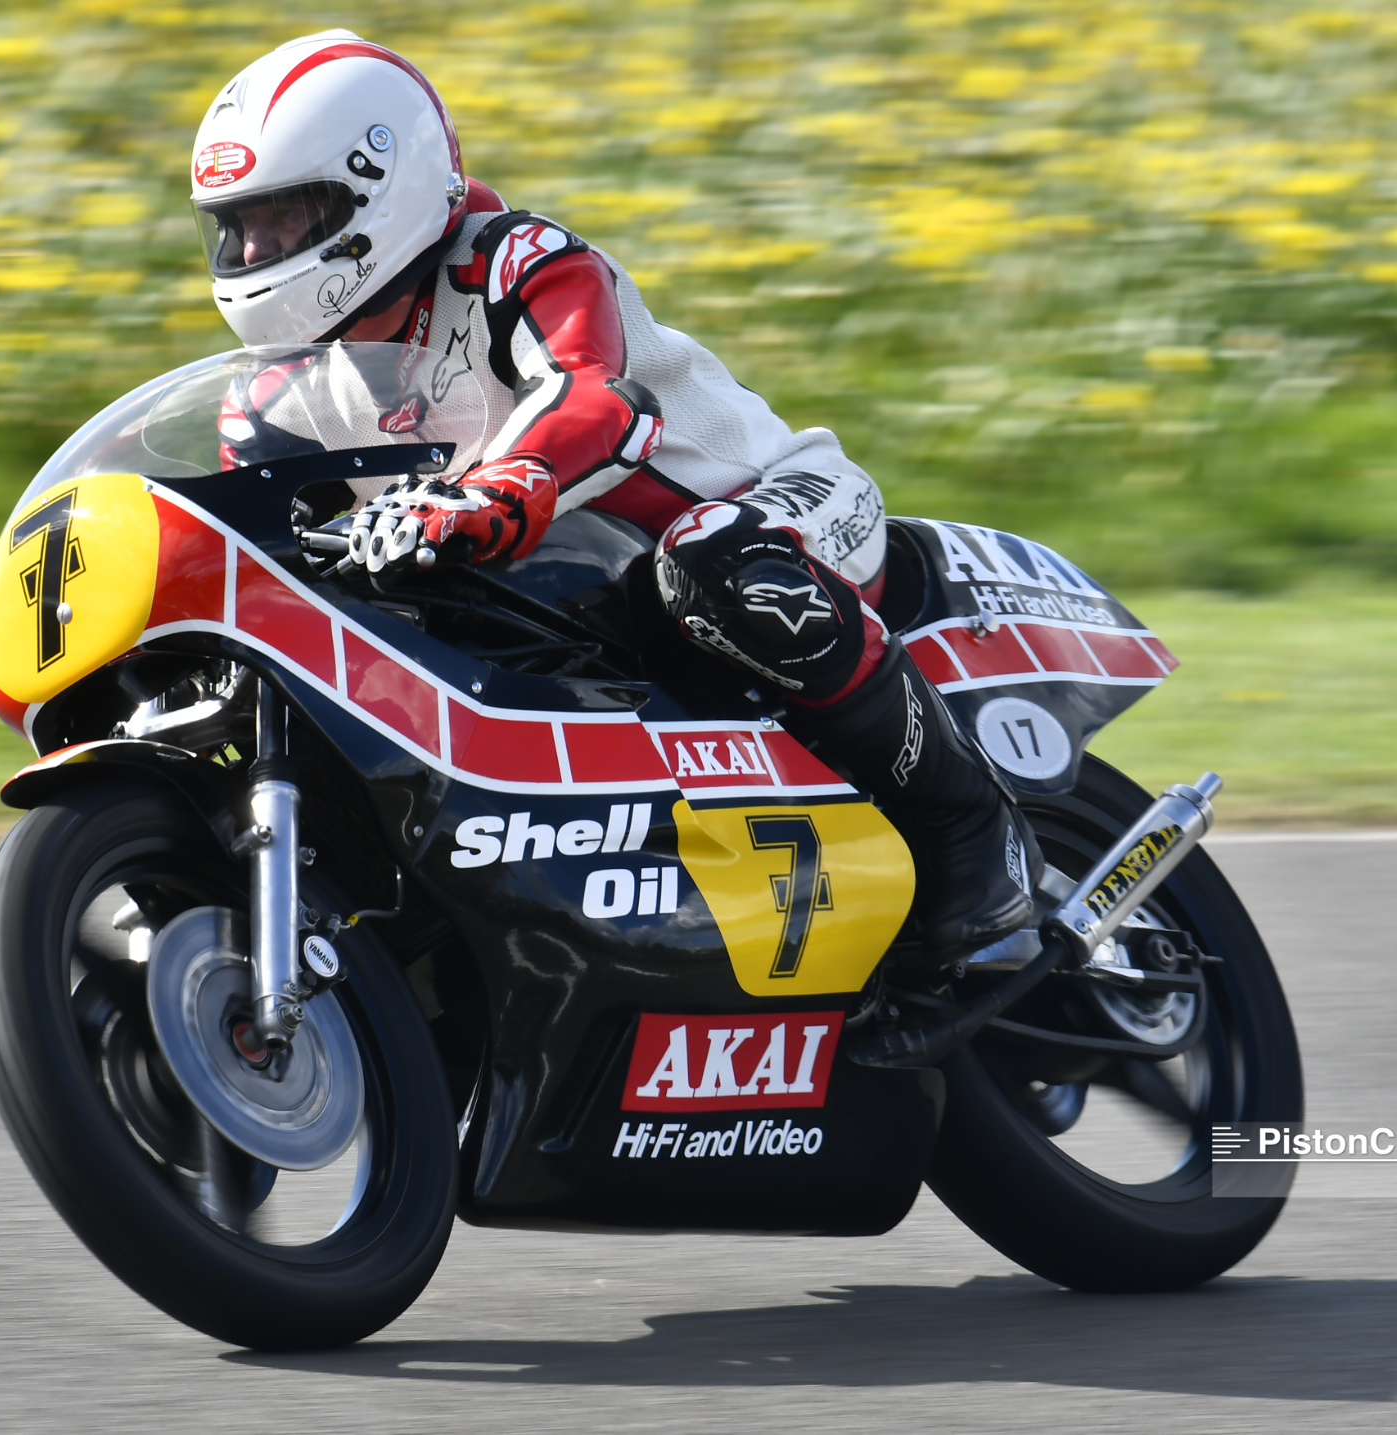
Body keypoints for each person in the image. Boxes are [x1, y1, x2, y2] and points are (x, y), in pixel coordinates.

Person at [189, 31, 1037, 964]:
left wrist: (483, 495)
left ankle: (972, 833)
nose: (253, 249)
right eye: (235, 224)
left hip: (771, 508)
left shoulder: (515, 263)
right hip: (587, 592)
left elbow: (596, 398)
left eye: (284, 217)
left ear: (377, 189)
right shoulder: (272, 397)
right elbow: (263, 540)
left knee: (711, 561)